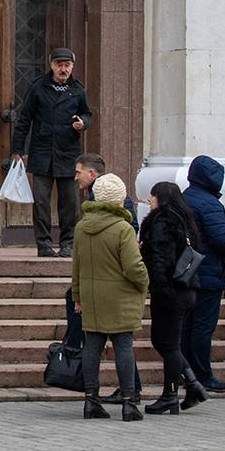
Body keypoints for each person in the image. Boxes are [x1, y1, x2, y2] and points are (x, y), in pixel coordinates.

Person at [72, 173, 148, 421]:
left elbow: (77, 266)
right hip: (120, 296)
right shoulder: (122, 228)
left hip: (92, 295)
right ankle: (128, 402)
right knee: (123, 346)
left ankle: (91, 400)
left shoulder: (82, 227)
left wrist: (77, 296)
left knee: (92, 346)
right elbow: (133, 267)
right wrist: (145, 282)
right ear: (119, 198)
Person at [11, 47, 92, 258]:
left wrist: (83, 124)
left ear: (72, 66)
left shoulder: (78, 90)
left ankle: (68, 243)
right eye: (59, 65)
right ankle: (44, 244)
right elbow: (24, 119)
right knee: (41, 202)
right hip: (42, 153)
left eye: (67, 65)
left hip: (68, 153)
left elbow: (87, 114)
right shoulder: (38, 88)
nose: (63, 69)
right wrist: (17, 149)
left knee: (70, 203)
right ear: (51, 65)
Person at [138, 181, 205, 415]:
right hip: (186, 289)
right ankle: (191, 383)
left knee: (168, 343)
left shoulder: (163, 220)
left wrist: (159, 285)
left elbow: (160, 257)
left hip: (170, 291)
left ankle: (171, 394)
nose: (149, 200)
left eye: (152, 196)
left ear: (161, 198)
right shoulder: (184, 218)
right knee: (162, 341)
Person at [180, 155, 225, 394]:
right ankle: (202, 374)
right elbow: (220, 239)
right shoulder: (210, 204)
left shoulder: (184, 198)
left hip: (186, 273)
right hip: (207, 273)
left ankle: (186, 372)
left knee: (187, 326)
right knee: (203, 327)